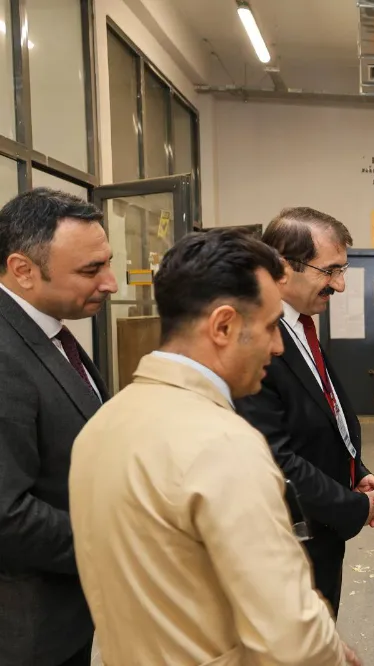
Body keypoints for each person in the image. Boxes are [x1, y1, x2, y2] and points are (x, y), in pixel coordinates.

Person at [69, 229, 360, 666]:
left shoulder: (103, 424)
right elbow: (292, 638)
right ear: (223, 325)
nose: (278, 346)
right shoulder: (226, 445)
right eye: (268, 327)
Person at [236, 207, 374, 617]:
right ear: (284, 266)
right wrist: (350, 506)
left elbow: (321, 414)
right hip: (286, 537)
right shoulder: (258, 336)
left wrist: (353, 468)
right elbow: (274, 455)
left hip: (318, 527)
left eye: (343, 270)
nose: (339, 285)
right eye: (330, 271)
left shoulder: (302, 324)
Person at [0, 188, 117, 666]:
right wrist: (121, 546)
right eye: (90, 271)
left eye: (107, 262)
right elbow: (7, 514)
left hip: (65, 612)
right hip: (28, 629)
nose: (110, 283)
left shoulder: (49, 332)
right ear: (23, 270)